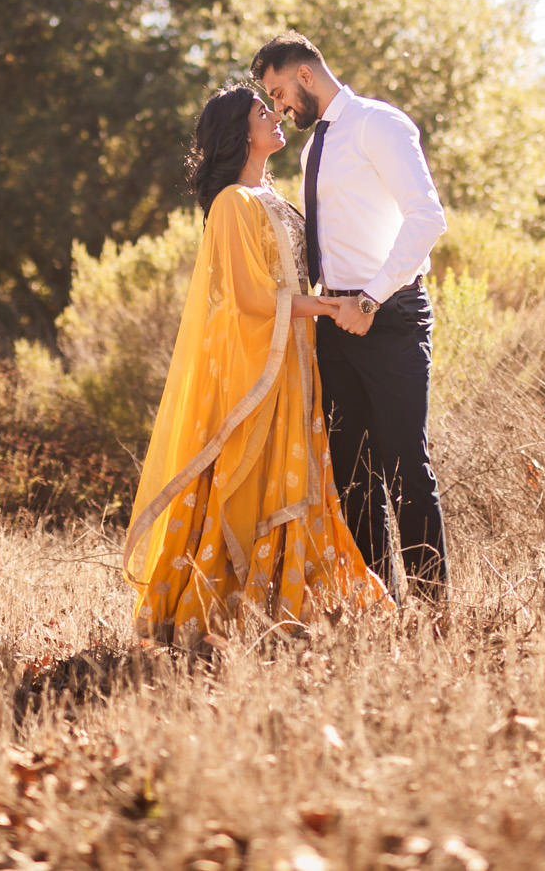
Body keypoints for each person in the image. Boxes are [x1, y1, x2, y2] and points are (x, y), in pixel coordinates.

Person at [123, 86, 391, 646]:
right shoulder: (231, 203)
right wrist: (329, 306)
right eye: (262, 112)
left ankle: (299, 608)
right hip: (257, 367)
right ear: (240, 133)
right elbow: (249, 296)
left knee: (304, 477)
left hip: (295, 361)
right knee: (256, 479)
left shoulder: (271, 196)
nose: (276, 117)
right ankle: (228, 612)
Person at [250, 33, 449, 604]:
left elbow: (426, 218)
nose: (282, 106)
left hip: (387, 318)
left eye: (282, 92)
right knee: (353, 475)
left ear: (306, 76)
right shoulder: (315, 150)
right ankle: (379, 604)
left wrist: (371, 300)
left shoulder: (377, 125)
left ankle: (435, 609)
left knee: (405, 466)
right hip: (333, 323)